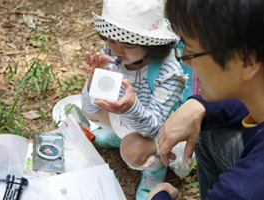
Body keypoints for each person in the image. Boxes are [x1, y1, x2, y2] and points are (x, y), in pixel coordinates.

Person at [149, 0, 264, 199]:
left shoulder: (245, 189)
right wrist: (202, 105)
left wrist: (159, 196)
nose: (185, 59)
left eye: (192, 51)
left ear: (247, 61)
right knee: (208, 126)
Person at [79, 0, 187, 199]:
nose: (118, 51)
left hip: (163, 129)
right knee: (93, 109)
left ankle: (154, 170)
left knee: (132, 149)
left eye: (129, 44)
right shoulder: (112, 52)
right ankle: (121, 135)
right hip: (131, 116)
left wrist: (130, 109)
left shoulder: (168, 71)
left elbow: (154, 127)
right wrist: (93, 81)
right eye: (111, 40)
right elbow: (88, 109)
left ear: (151, 44)